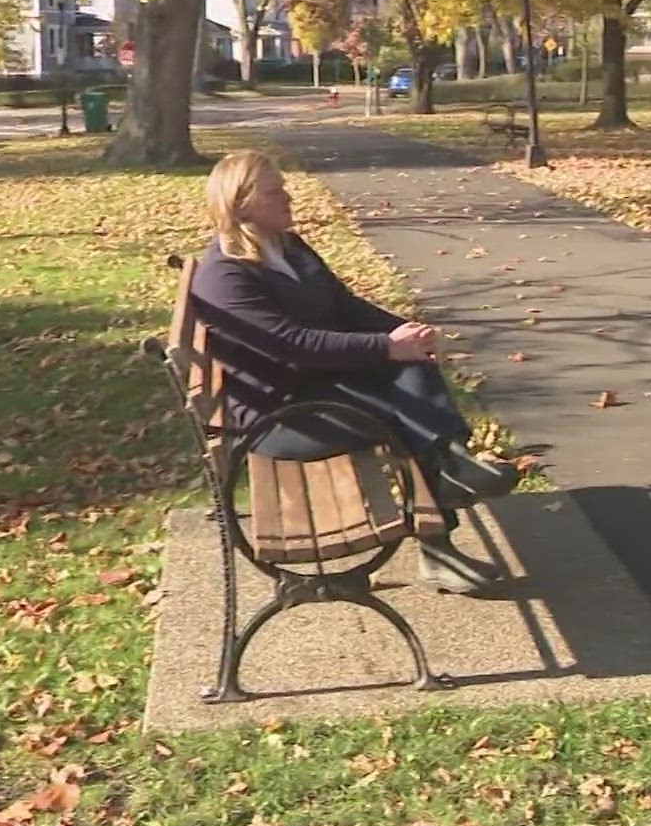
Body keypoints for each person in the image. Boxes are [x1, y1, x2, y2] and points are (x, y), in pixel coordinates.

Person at [188, 150, 520, 595]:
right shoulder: (225, 276)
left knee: (411, 365)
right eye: (275, 191)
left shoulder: (287, 245)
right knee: (404, 409)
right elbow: (293, 347)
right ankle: (445, 497)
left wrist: (401, 332)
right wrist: (386, 347)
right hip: (281, 418)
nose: (288, 197)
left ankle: (449, 466)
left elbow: (344, 306)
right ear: (242, 202)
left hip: (320, 390)